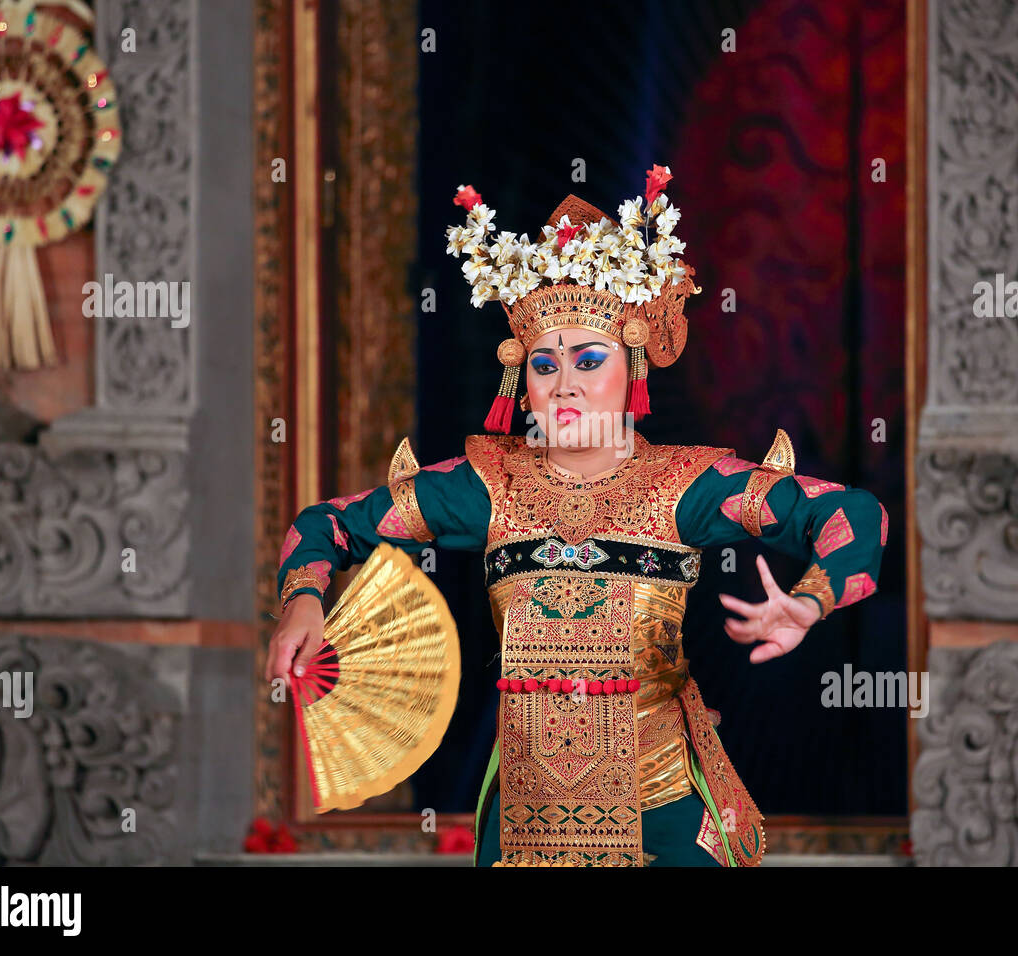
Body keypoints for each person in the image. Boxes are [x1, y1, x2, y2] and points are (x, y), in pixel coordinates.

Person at [266, 166, 887, 866]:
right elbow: (326, 525)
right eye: (543, 365)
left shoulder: (687, 486)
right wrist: (303, 601)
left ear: (631, 367)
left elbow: (850, 513)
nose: (564, 384)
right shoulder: (487, 485)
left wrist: (812, 599)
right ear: (520, 383)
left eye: (589, 360)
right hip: (527, 824)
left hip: (664, 813)